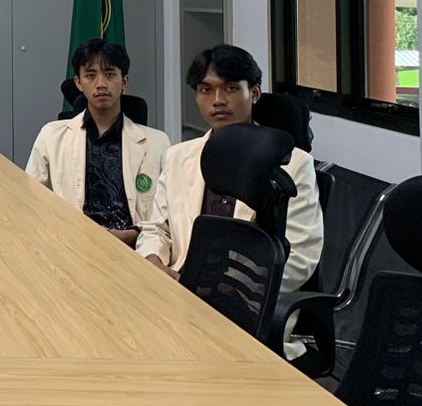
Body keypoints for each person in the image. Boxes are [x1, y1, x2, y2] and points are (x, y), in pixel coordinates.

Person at [137, 45, 323, 288]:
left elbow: (299, 257)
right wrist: (153, 261)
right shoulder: (178, 157)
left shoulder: (294, 164)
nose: (218, 101)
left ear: (254, 93)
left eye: (231, 88)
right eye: (206, 90)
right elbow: (157, 229)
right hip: (176, 286)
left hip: (245, 298)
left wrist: (224, 290)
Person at [25, 39, 170, 245]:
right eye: (91, 75)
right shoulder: (51, 136)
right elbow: (32, 204)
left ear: (124, 81)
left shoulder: (157, 143)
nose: (101, 84)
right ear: (78, 83)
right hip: (71, 245)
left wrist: (134, 235)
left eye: (110, 74)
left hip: (135, 247)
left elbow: (168, 214)